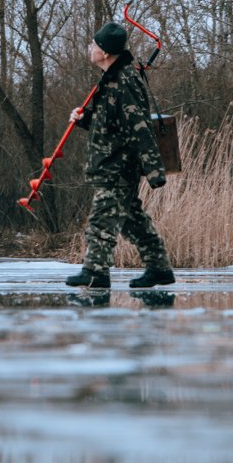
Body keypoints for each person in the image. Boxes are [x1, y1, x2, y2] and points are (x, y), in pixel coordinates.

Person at [66, 21, 175, 289]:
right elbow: (111, 125)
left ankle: (95, 271)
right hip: (109, 164)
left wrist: (154, 170)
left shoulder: (125, 81)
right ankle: (159, 268)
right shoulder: (111, 80)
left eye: (94, 44)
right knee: (132, 221)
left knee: (101, 219)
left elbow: (139, 128)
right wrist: (85, 118)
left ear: (104, 52)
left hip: (118, 167)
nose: (90, 48)